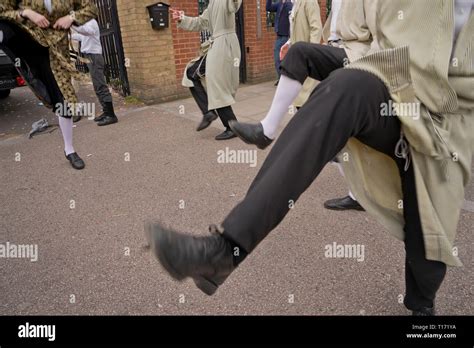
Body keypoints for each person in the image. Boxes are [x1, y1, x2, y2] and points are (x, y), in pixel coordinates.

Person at [146, 0, 474, 316]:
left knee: (426, 232)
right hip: (391, 82)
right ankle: (224, 251)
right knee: (344, 87)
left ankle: (424, 308)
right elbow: (378, 40)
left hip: (450, 113)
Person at [232, 0, 373, 210]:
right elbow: (328, 28)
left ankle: (267, 130)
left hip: (353, 55)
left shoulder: (310, 3)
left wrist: (313, 57)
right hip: (333, 51)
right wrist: (291, 43)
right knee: (339, 138)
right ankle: (357, 194)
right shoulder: (299, 3)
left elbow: (318, 29)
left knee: (300, 55)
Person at [0, 0, 98, 170]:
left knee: (63, 102)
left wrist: (71, 16)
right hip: (27, 38)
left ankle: (69, 150)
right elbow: (3, 10)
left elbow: (91, 8)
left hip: (56, 52)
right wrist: (26, 13)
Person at [170, 0, 242, 141]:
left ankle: (231, 127)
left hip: (225, 47)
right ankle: (209, 113)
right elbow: (201, 22)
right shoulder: (212, 3)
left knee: (218, 85)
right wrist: (182, 18)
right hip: (216, 46)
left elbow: (234, 5)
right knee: (192, 73)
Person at [71, 19, 118, 126]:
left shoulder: (91, 22)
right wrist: (69, 36)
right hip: (90, 56)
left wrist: (70, 23)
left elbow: (85, 31)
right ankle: (106, 112)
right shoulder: (86, 23)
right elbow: (82, 36)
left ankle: (111, 115)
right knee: (97, 87)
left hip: (94, 56)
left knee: (101, 86)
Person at [266, 0, 293, 84]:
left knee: (281, 59)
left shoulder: (290, 4)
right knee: (278, 59)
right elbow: (269, 8)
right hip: (279, 36)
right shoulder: (279, 3)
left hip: (286, 36)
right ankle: (282, 79)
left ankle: (283, 79)